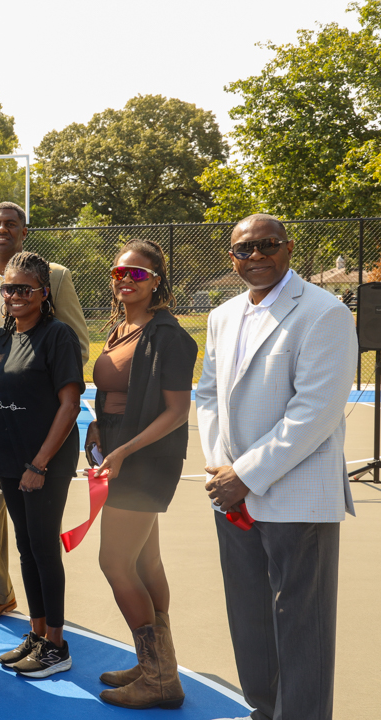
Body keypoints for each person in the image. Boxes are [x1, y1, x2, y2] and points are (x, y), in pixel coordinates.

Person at [196, 214, 356, 720]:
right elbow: (207, 395)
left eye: (267, 246)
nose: (257, 256)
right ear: (232, 258)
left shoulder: (323, 311)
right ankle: (263, 711)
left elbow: (315, 412)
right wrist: (221, 468)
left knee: (300, 625)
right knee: (250, 621)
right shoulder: (222, 316)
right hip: (232, 495)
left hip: (295, 497)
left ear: (288, 249)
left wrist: (245, 475)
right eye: (245, 249)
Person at [0, 201, 88, 626]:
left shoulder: (57, 276)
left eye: (11, 223)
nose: (1, 229)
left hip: (40, 422)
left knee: (38, 537)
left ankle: (50, 629)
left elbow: (76, 346)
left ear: (24, 231)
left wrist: (34, 386)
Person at [85, 239, 196, 709]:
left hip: (146, 460)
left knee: (114, 562)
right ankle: (157, 665)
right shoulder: (122, 327)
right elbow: (115, 394)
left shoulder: (169, 335)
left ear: (156, 281)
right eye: (119, 273)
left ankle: (158, 677)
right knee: (146, 563)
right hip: (120, 451)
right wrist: (98, 430)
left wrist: (125, 449)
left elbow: (176, 411)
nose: (126, 281)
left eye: (137, 274)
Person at [0, 251, 83, 679]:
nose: (16, 295)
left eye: (25, 289)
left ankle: (57, 646)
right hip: (10, 459)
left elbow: (70, 404)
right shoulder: (4, 337)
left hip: (44, 462)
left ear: (44, 293)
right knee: (26, 551)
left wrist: (40, 463)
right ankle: (37, 633)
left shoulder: (56, 335)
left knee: (44, 551)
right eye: (9, 288)